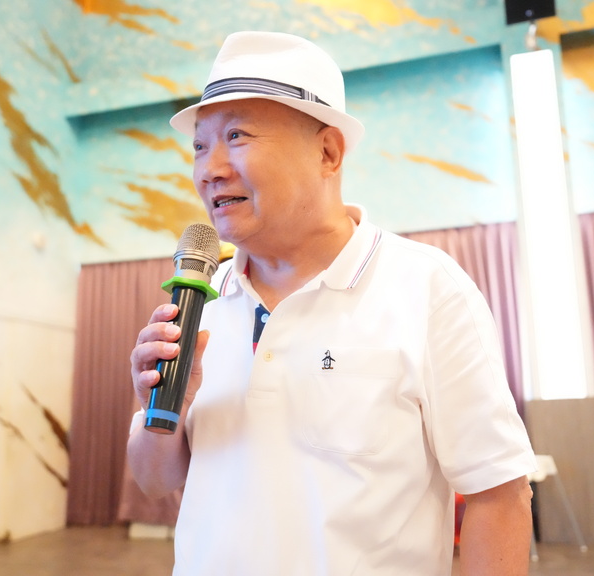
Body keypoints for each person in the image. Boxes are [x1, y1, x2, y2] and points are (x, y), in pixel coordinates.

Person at [127, 31, 536, 576]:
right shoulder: (201, 298)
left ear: (327, 152)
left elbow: (499, 495)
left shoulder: (427, 287)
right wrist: (162, 411)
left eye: (236, 136)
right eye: (200, 146)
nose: (209, 169)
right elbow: (155, 480)